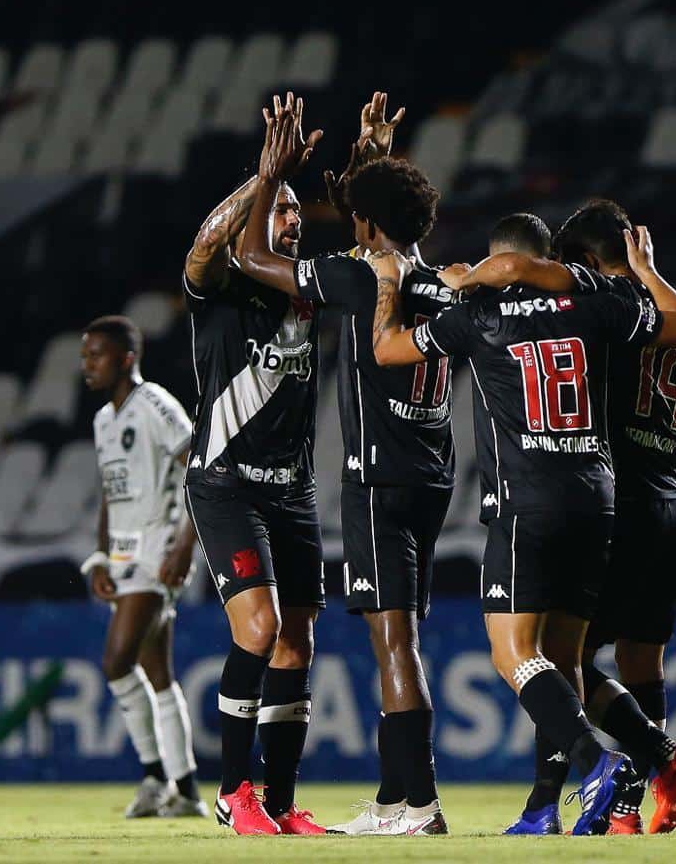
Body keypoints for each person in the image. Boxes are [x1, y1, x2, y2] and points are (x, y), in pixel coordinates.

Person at [369, 212, 676, 836]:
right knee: (564, 658)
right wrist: (646, 270)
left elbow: (387, 351)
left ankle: (600, 765)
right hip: (597, 496)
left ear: (497, 261)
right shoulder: (594, 300)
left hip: (527, 500)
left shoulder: (478, 314)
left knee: (512, 653)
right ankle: (631, 768)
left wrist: (391, 289)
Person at [238, 92, 454, 836]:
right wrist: (376, 159)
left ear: (365, 223)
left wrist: (269, 178)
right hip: (431, 471)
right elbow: (383, 221)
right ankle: (395, 798)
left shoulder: (362, 279)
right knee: (402, 634)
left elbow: (252, 257)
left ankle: (419, 804)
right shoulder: (431, 278)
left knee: (394, 641)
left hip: (378, 476)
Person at [180, 92, 326, 836]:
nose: (293, 219)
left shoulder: (307, 290)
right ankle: (232, 790)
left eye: (299, 211)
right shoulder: (223, 287)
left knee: (297, 638)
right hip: (226, 482)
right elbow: (208, 249)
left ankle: (277, 799)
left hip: (293, 490)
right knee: (258, 625)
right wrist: (262, 179)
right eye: (282, 210)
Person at [80, 315, 204, 819]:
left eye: (97, 355)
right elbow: (110, 496)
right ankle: (186, 789)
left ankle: (155, 777)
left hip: (158, 550)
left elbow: (198, 466)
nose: (87, 365)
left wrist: (185, 544)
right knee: (157, 673)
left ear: (126, 358)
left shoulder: (154, 403)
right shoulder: (102, 420)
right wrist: (100, 555)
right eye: (85, 355)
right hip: (126, 554)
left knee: (116, 662)